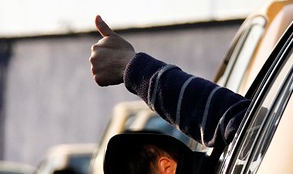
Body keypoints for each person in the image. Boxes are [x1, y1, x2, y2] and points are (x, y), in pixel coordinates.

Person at [89, 15, 250, 148]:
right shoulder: (268, 137)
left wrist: (130, 67)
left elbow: (238, 123)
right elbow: (238, 122)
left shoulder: (263, 135)